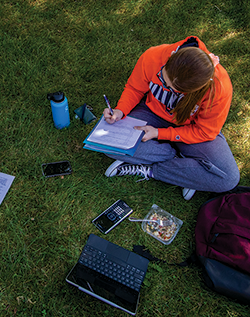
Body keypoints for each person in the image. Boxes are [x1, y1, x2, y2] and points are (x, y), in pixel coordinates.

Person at [102, 36, 240, 200]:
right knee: (104, 140)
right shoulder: (154, 55)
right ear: (170, 59)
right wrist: (120, 111)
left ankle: (151, 169)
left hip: (192, 130)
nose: (167, 88)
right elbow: (134, 88)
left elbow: (205, 132)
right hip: (151, 113)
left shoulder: (220, 87)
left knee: (228, 178)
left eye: (175, 89)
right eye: (164, 81)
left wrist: (159, 134)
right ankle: (187, 169)